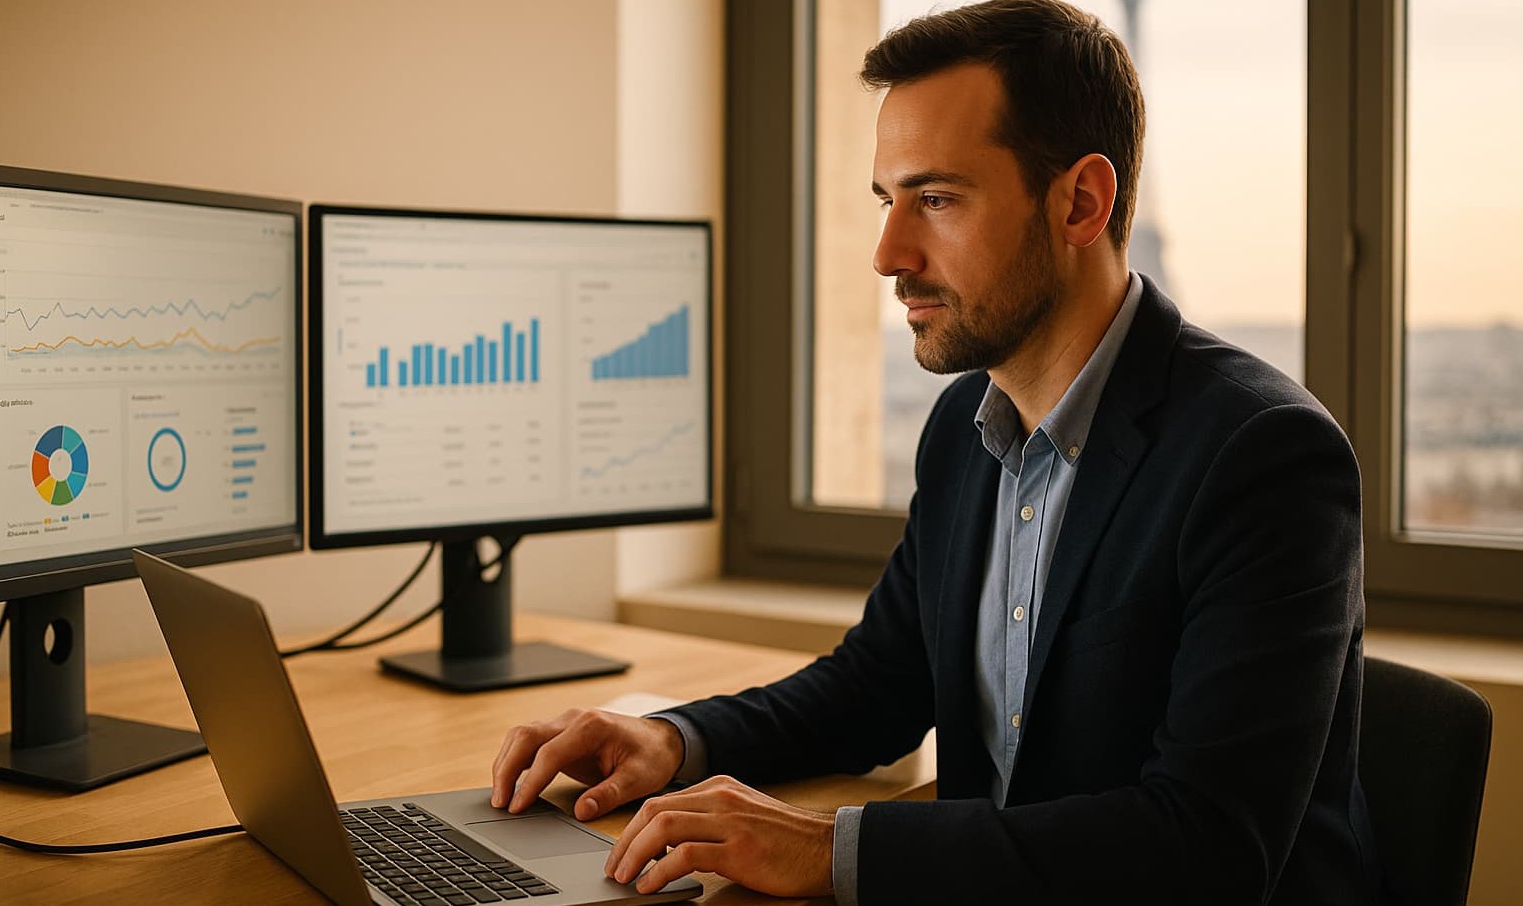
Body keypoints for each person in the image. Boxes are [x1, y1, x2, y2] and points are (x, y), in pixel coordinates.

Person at [491, 1, 1383, 903]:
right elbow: (879, 683)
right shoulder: (966, 430)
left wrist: (832, 850)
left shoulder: (1263, 457)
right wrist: (678, 741)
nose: (887, 252)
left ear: (1082, 202)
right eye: (887, 201)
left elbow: (1205, 850)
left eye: (937, 199)